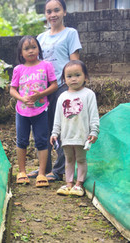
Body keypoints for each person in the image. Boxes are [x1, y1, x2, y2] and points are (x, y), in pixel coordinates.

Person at [27, 0, 82, 182]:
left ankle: (59, 170)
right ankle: (44, 168)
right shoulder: (40, 38)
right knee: (43, 129)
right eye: (49, 11)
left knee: (62, 128)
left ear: (64, 12)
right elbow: (35, 63)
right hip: (43, 90)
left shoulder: (70, 33)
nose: (53, 15)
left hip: (61, 87)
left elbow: (74, 62)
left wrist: (75, 88)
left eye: (57, 10)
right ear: (45, 15)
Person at [10, 35, 58, 187]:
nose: (30, 51)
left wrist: (41, 95)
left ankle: (42, 173)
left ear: (39, 49)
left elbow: (54, 85)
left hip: (41, 110)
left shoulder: (46, 65)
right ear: (21, 53)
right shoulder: (18, 69)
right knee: (22, 141)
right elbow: (13, 89)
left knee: (42, 141)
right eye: (26, 48)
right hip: (22, 111)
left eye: (33, 47)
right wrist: (22, 99)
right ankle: (22, 172)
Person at [50, 60, 99, 196]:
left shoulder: (88, 94)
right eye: (69, 76)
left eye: (77, 75)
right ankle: (69, 183)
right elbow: (58, 118)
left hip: (82, 135)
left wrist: (94, 130)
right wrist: (55, 133)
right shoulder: (62, 97)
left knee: (81, 159)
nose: (73, 79)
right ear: (64, 79)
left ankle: (79, 184)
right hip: (66, 136)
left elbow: (94, 115)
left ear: (86, 77)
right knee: (69, 159)